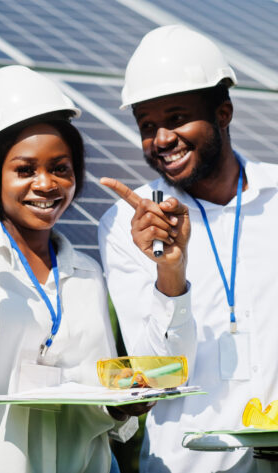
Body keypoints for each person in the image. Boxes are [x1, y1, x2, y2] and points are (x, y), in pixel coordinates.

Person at [0, 65, 155, 473]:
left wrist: (121, 408)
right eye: (25, 170)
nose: (46, 184)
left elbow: (101, 413)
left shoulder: (87, 273)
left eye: (61, 168)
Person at [98, 25, 278, 472]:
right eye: (147, 126)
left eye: (177, 118)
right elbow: (154, 374)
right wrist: (170, 272)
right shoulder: (126, 225)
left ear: (223, 112)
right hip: (186, 464)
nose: (161, 139)